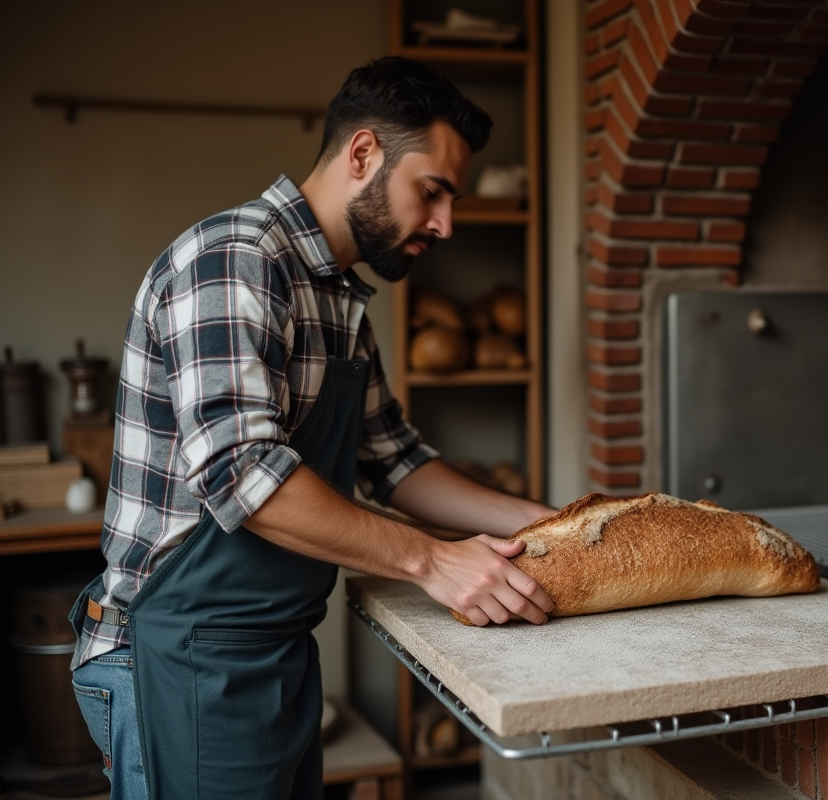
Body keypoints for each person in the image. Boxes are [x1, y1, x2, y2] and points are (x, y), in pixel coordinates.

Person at [68, 56, 556, 800]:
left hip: (274, 650)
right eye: (433, 193)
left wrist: (551, 527)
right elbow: (244, 478)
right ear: (362, 153)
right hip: (177, 655)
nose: (445, 224)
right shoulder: (234, 259)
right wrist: (435, 563)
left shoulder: (338, 298)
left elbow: (394, 460)